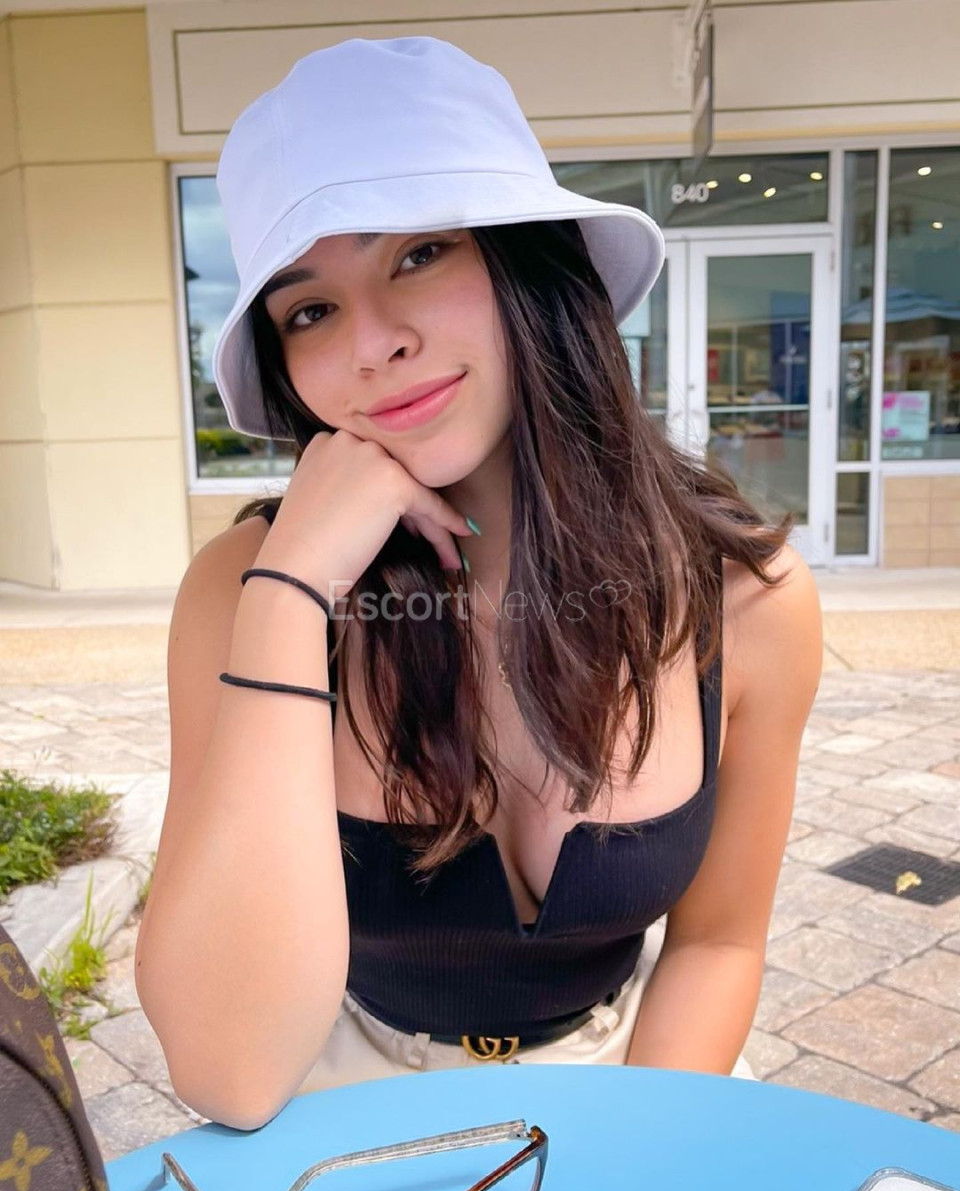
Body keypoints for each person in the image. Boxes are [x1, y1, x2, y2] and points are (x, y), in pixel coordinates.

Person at [134, 36, 823, 1131]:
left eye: (418, 254)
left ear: (531, 267)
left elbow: (719, 943)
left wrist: (635, 1155)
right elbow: (226, 1070)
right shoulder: (240, 589)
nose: (373, 344)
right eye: (309, 311)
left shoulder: (746, 598)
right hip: (339, 1088)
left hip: (636, 1077)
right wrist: (292, 589)